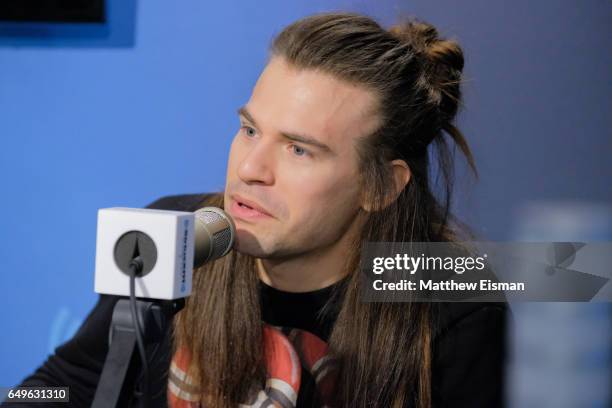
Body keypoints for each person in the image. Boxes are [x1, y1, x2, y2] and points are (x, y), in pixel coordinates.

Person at [3, 12, 507, 408]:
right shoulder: (173, 235)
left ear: (380, 187)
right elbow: (66, 383)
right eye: (249, 130)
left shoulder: (452, 298)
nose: (251, 169)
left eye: (299, 149)